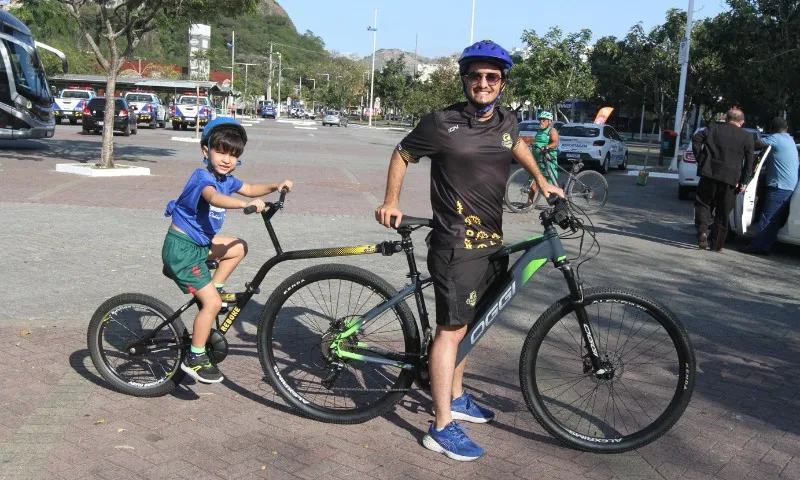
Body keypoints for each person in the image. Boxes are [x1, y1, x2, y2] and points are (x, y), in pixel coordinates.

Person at [374, 39, 563, 461]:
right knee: (451, 330)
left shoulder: (508, 121)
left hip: (491, 243)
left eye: (491, 77)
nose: (483, 82)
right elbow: (402, 153)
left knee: (472, 325)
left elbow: (517, 145)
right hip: (454, 244)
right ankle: (441, 427)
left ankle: (456, 396)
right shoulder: (441, 123)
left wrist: (542, 180)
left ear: (502, 83)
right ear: (464, 79)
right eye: (475, 75)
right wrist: (391, 200)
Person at [162, 117, 292, 383]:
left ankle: (216, 287)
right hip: (182, 250)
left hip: (199, 246)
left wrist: (275, 186)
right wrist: (245, 206)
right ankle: (195, 357)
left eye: (233, 155)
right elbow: (214, 198)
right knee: (210, 303)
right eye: (220, 151)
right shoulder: (202, 178)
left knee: (238, 247)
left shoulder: (227, 179)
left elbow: (251, 188)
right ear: (205, 151)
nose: (226, 159)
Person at [692, 108, 755, 251]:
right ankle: (716, 244)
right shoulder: (747, 137)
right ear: (742, 122)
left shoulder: (713, 128)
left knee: (703, 203)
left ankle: (702, 231)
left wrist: (700, 160)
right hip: (731, 178)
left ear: (726, 119)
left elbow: (696, 138)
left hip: (709, 173)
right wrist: (744, 181)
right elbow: (749, 162)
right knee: (723, 211)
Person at [741, 117, 799, 254]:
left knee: (768, 217)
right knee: (774, 218)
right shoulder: (790, 140)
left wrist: (743, 142)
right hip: (788, 185)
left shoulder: (776, 138)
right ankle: (766, 246)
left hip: (779, 185)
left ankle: (757, 246)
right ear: (786, 129)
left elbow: (757, 144)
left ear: (773, 129)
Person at [527, 111, 561, 205]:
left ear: (549, 121)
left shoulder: (552, 131)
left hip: (547, 160)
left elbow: (555, 143)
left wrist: (547, 147)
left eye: (544, 119)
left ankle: (559, 202)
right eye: (540, 119)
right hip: (537, 159)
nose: (541, 121)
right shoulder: (539, 130)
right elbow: (536, 141)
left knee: (550, 181)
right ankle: (529, 201)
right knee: (533, 179)